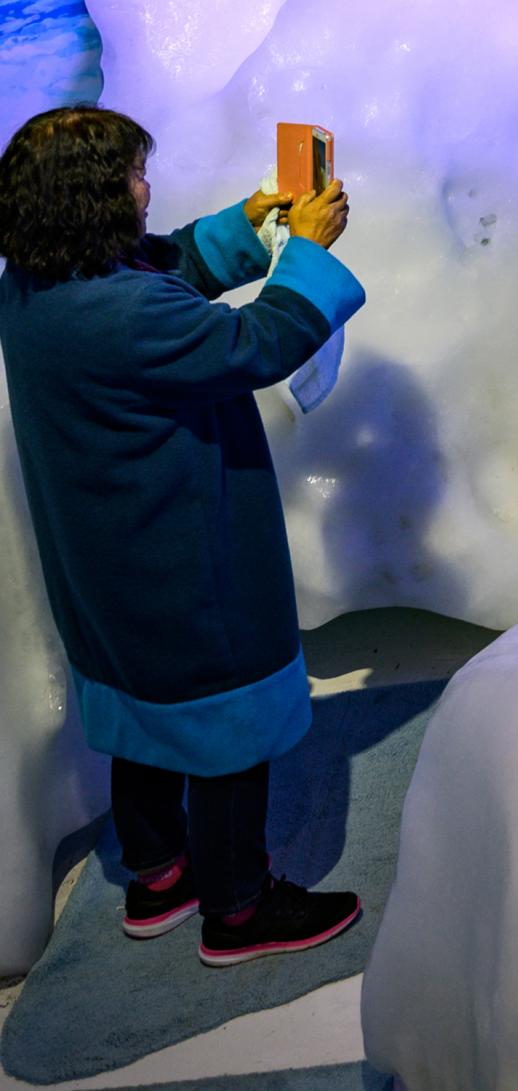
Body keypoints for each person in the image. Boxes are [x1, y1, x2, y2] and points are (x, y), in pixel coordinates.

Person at [0, 106, 366, 966]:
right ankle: (239, 908)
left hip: (106, 560)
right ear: (91, 199)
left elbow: (159, 266)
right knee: (221, 708)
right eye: (131, 175)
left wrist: (249, 223)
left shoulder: (31, 284)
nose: (146, 186)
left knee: (144, 701)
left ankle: (159, 873)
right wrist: (308, 249)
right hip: (181, 551)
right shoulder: (126, 313)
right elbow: (254, 341)